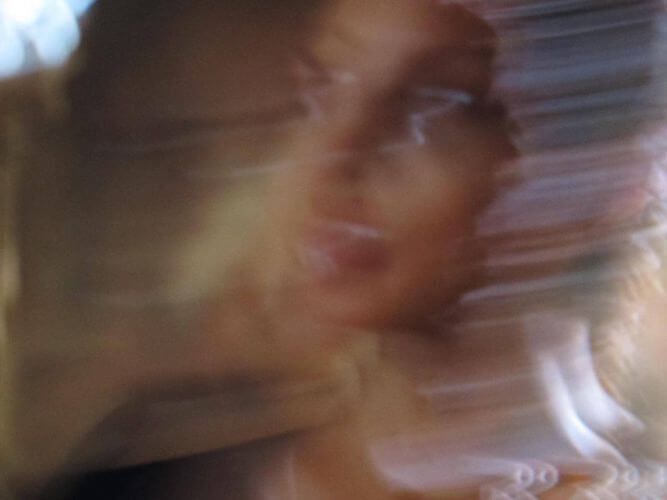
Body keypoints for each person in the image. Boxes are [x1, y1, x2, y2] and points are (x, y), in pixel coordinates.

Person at [2, 0, 666, 498]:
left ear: (614, 173)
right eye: (324, 86)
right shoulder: (158, 477)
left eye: (442, 103)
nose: (329, 158)